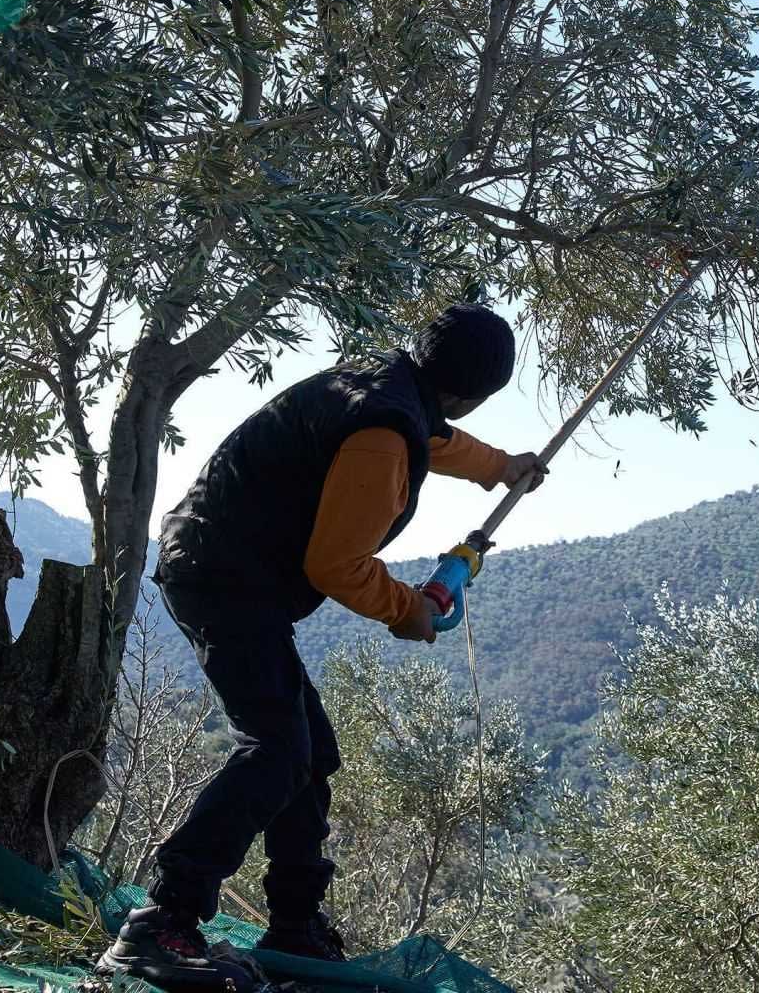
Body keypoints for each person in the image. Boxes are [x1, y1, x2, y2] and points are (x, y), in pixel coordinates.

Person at [97, 303, 544, 988]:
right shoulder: (384, 436)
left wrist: (501, 467)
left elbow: (436, 439)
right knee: (278, 751)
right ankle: (162, 920)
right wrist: (409, 609)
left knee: (309, 753)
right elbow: (335, 567)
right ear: (475, 395)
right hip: (222, 577)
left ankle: (295, 926)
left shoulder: (386, 387)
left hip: (223, 565)